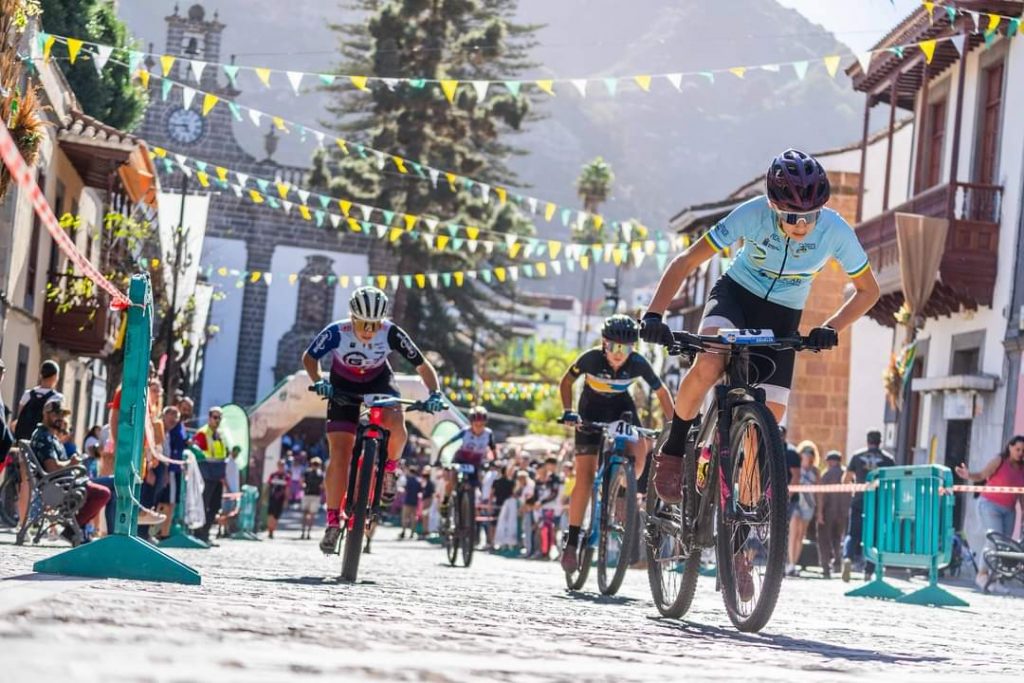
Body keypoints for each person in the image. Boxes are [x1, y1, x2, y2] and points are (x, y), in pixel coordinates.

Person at [639, 149, 881, 510]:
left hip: (782, 313)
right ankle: (674, 447)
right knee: (709, 362)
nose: (801, 226)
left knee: (769, 419)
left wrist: (830, 328)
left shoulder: (834, 231)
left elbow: (869, 291)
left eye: (809, 217)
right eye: (790, 217)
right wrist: (654, 315)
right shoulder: (752, 214)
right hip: (736, 296)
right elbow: (686, 261)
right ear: (771, 206)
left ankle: (743, 525)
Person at [302, 286, 446, 556]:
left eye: (374, 324)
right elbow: (309, 358)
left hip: (379, 381)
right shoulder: (337, 331)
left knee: (395, 417)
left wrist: (435, 393)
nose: (369, 330)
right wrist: (318, 381)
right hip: (343, 385)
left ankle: (390, 468)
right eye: (363, 323)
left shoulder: (390, 332)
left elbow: (423, 365)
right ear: (352, 317)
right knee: (340, 454)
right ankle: (333, 522)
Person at [557, 315, 675, 572]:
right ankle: (573, 541)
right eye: (614, 347)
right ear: (604, 344)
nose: (619, 354)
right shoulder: (590, 359)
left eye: (626, 348)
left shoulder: (638, 363)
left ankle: (623, 484)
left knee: (640, 450)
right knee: (585, 478)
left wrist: (676, 424)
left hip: (621, 408)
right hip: (590, 410)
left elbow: (662, 392)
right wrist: (568, 411)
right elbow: (566, 381)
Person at [30, 399, 110, 543]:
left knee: (113, 484)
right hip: (62, 487)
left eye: (62, 415)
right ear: (46, 414)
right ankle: (73, 530)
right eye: (56, 414)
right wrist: (72, 463)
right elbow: (52, 467)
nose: (60, 418)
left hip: (68, 483)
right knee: (105, 492)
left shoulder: (50, 435)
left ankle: (80, 531)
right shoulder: (44, 437)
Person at [955, 435, 1024, 592]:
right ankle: (982, 575)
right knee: (994, 539)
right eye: (1018, 449)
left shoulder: (1022, 469)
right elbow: (981, 475)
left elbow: (1021, 494)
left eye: (1023, 451)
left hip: (1009, 510)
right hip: (990, 505)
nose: (1020, 453)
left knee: (1004, 546)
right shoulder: (999, 461)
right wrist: (968, 475)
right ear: (1010, 448)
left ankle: (995, 579)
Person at [841, 429, 895, 582]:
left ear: (867, 441)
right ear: (880, 442)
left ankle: (848, 558)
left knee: (852, 534)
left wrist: (854, 487)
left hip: (859, 499)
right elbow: (892, 482)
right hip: (878, 502)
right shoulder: (888, 459)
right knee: (875, 536)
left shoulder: (857, 456)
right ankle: (868, 571)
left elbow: (846, 479)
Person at [437, 406, 496, 522]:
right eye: (476, 424)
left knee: (478, 481)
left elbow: (493, 450)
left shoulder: (488, 434)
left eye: (482, 424)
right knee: (452, 479)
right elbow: (446, 444)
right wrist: (439, 458)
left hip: (475, 462)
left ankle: (472, 503)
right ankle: (445, 500)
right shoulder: (465, 432)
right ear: (471, 422)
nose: (479, 427)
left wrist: (495, 461)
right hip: (460, 459)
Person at [192, 406, 230, 543]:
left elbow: (223, 454)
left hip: (218, 475)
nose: (217, 420)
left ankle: (205, 534)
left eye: (219, 417)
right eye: (215, 417)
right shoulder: (203, 433)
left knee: (215, 506)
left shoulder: (220, 434)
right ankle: (198, 534)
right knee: (203, 504)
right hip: (206, 474)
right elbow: (196, 452)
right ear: (209, 418)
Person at [787, 441, 819, 577]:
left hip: (809, 505)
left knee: (801, 535)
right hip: (796, 503)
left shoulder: (815, 471)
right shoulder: (797, 467)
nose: (808, 455)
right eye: (805, 452)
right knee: (793, 533)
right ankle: (790, 563)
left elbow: (819, 491)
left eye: (811, 453)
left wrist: (820, 509)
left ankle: (794, 563)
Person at [816, 450, 849, 579]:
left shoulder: (827, 475)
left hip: (828, 512)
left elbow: (821, 495)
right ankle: (837, 563)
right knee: (838, 538)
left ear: (830, 461)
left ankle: (826, 568)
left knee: (824, 539)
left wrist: (819, 513)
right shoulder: (847, 475)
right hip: (843, 513)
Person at [12, 359, 63, 442]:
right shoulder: (57, 398)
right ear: (55, 377)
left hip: (24, 440)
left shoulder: (27, 394)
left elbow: (19, 416)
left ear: (41, 375)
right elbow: (58, 423)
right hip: (44, 441)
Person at [156, 406, 188, 538]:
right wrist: (167, 472)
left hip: (173, 469)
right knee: (166, 502)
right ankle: (161, 532)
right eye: (171, 415)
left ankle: (164, 531)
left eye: (176, 416)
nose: (174, 419)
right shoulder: (163, 429)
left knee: (170, 502)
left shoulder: (177, 429)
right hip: (169, 470)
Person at [217, 446, 242, 538]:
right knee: (224, 511)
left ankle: (226, 529)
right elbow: (223, 476)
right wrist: (227, 488)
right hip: (227, 492)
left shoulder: (235, 463)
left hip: (234, 491)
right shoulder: (226, 462)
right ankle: (220, 529)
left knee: (230, 512)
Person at [300, 456, 325, 540]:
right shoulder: (307, 472)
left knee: (312, 515)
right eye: (314, 464)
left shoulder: (321, 474)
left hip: (315, 495)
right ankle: (303, 532)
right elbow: (302, 481)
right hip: (307, 494)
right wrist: (304, 486)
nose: (315, 465)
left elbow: (323, 485)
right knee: (305, 514)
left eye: (317, 464)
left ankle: (308, 533)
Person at [266, 459, 289, 539]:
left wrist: (286, 500)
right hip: (272, 498)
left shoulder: (286, 477)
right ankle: (270, 531)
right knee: (270, 514)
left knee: (276, 516)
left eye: (282, 465)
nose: (281, 467)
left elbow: (287, 489)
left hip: (280, 499)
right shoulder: (273, 475)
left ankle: (272, 530)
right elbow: (268, 486)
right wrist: (264, 497)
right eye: (280, 465)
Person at [399, 464, 422, 540]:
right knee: (413, 518)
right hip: (414, 502)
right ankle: (412, 532)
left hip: (407, 501)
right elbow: (420, 491)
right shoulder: (418, 481)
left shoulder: (408, 480)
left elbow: (405, 489)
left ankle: (403, 531)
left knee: (405, 517)